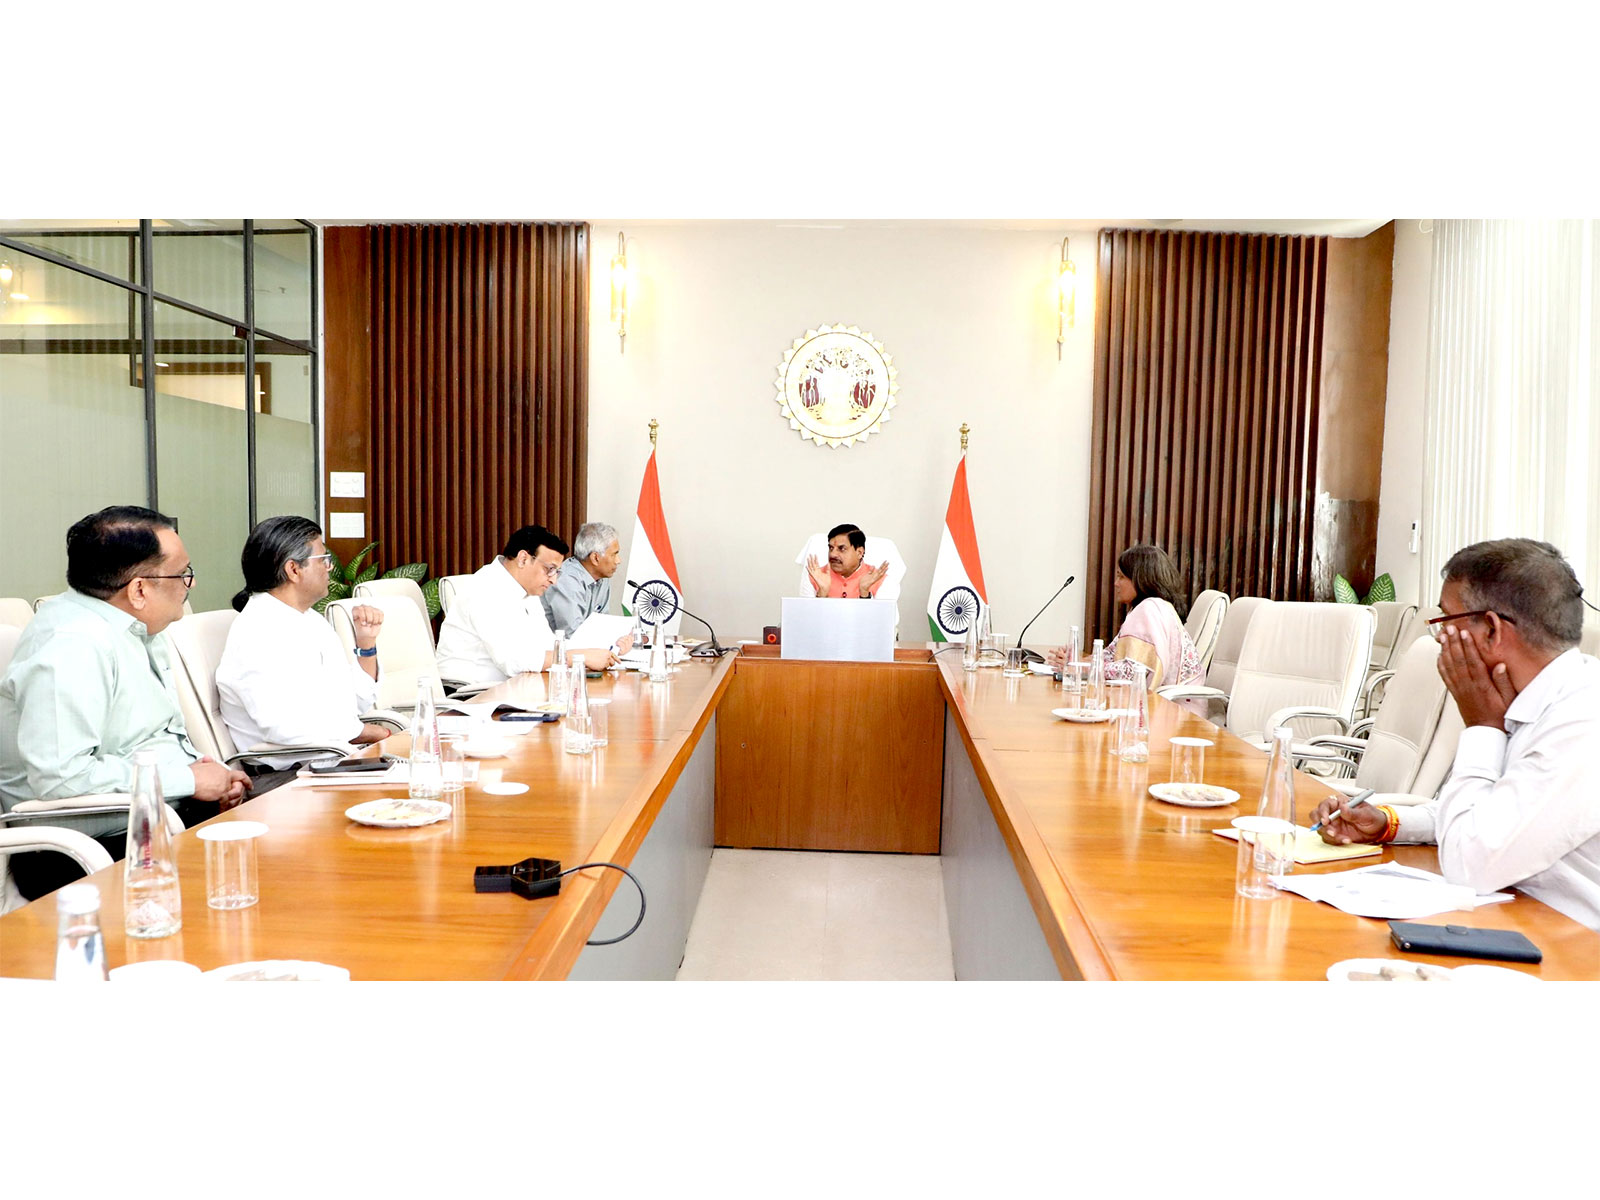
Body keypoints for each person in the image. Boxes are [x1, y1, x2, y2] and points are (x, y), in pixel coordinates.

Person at [1312, 538, 1600, 931]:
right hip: (1522, 920)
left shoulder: (1583, 721)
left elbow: (1471, 864)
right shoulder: (1534, 698)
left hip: (1574, 953)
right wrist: (1388, 823)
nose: (1439, 638)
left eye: (1445, 621)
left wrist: (1482, 727)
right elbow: (1493, 811)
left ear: (1492, 632)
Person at [0, 506, 250, 901]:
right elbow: (61, 777)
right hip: (84, 853)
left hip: (157, 819)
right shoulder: (72, 645)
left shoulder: (135, 629)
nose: (191, 583)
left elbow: (154, 736)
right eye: (183, 573)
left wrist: (207, 773)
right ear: (138, 590)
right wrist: (189, 781)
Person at [215, 515, 391, 775]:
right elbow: (287, 729)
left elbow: (355, 702)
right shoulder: (259, 632)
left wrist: (366, 644)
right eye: (323, 560)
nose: (329, 568)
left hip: (331, 760)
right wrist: (368, 732)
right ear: (293, 570)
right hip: (287, 778)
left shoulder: (308, 619)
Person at [436, 525, 619, 686]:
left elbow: (548, 645)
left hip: (515, 688)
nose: (554, 580)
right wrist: (580, 657)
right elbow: (513, 661)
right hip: (471, 696)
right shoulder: (486, 588)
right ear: (523, 558)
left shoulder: (528, 591)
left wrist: (604, 651)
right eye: (550, 569)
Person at [1047, 544, 1203, 690]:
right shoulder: (1145, 609)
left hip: (1176, 711)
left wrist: (1081, 667)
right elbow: (1111, 655)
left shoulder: (1150, 610)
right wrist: (1075, 661)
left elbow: (1136, 672)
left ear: (1141, 579)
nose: (1116, 583)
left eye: (1121, 577)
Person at [543, 521, 628, 640]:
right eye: (614, 555)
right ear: (595, 558)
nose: (618, 561)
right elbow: (573, 635)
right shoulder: (566, 580)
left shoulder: (602, 578)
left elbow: (603, 625)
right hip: (556, 653)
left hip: (587, 651)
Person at [801, 523, 895, 600]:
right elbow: (808, 620)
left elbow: (880, 620)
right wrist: (822, 593)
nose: (833, 554)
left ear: (859, 552)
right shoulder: (815, 577)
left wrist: (864, 593)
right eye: (831, 548)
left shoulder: (879, 579)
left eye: (841, 549)